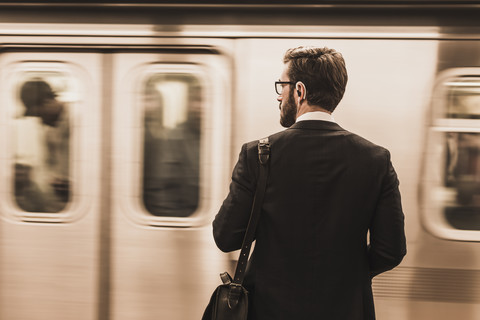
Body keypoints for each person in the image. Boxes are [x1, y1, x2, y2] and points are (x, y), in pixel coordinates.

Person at [212, 46, 406, 320]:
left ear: (299, 91)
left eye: (283, 86)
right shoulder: (376, 159)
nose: (279, 96)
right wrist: (345, 275)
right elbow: (391, 251)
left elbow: (225, 236)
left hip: (268, 309)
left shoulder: (257, 154)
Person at [16, 78, 70, 212]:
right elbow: (49, 164)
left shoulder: (82, 120)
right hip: (61, 200)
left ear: (47, 102)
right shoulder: (49, 132)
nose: (40, 121)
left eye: (39, 114)